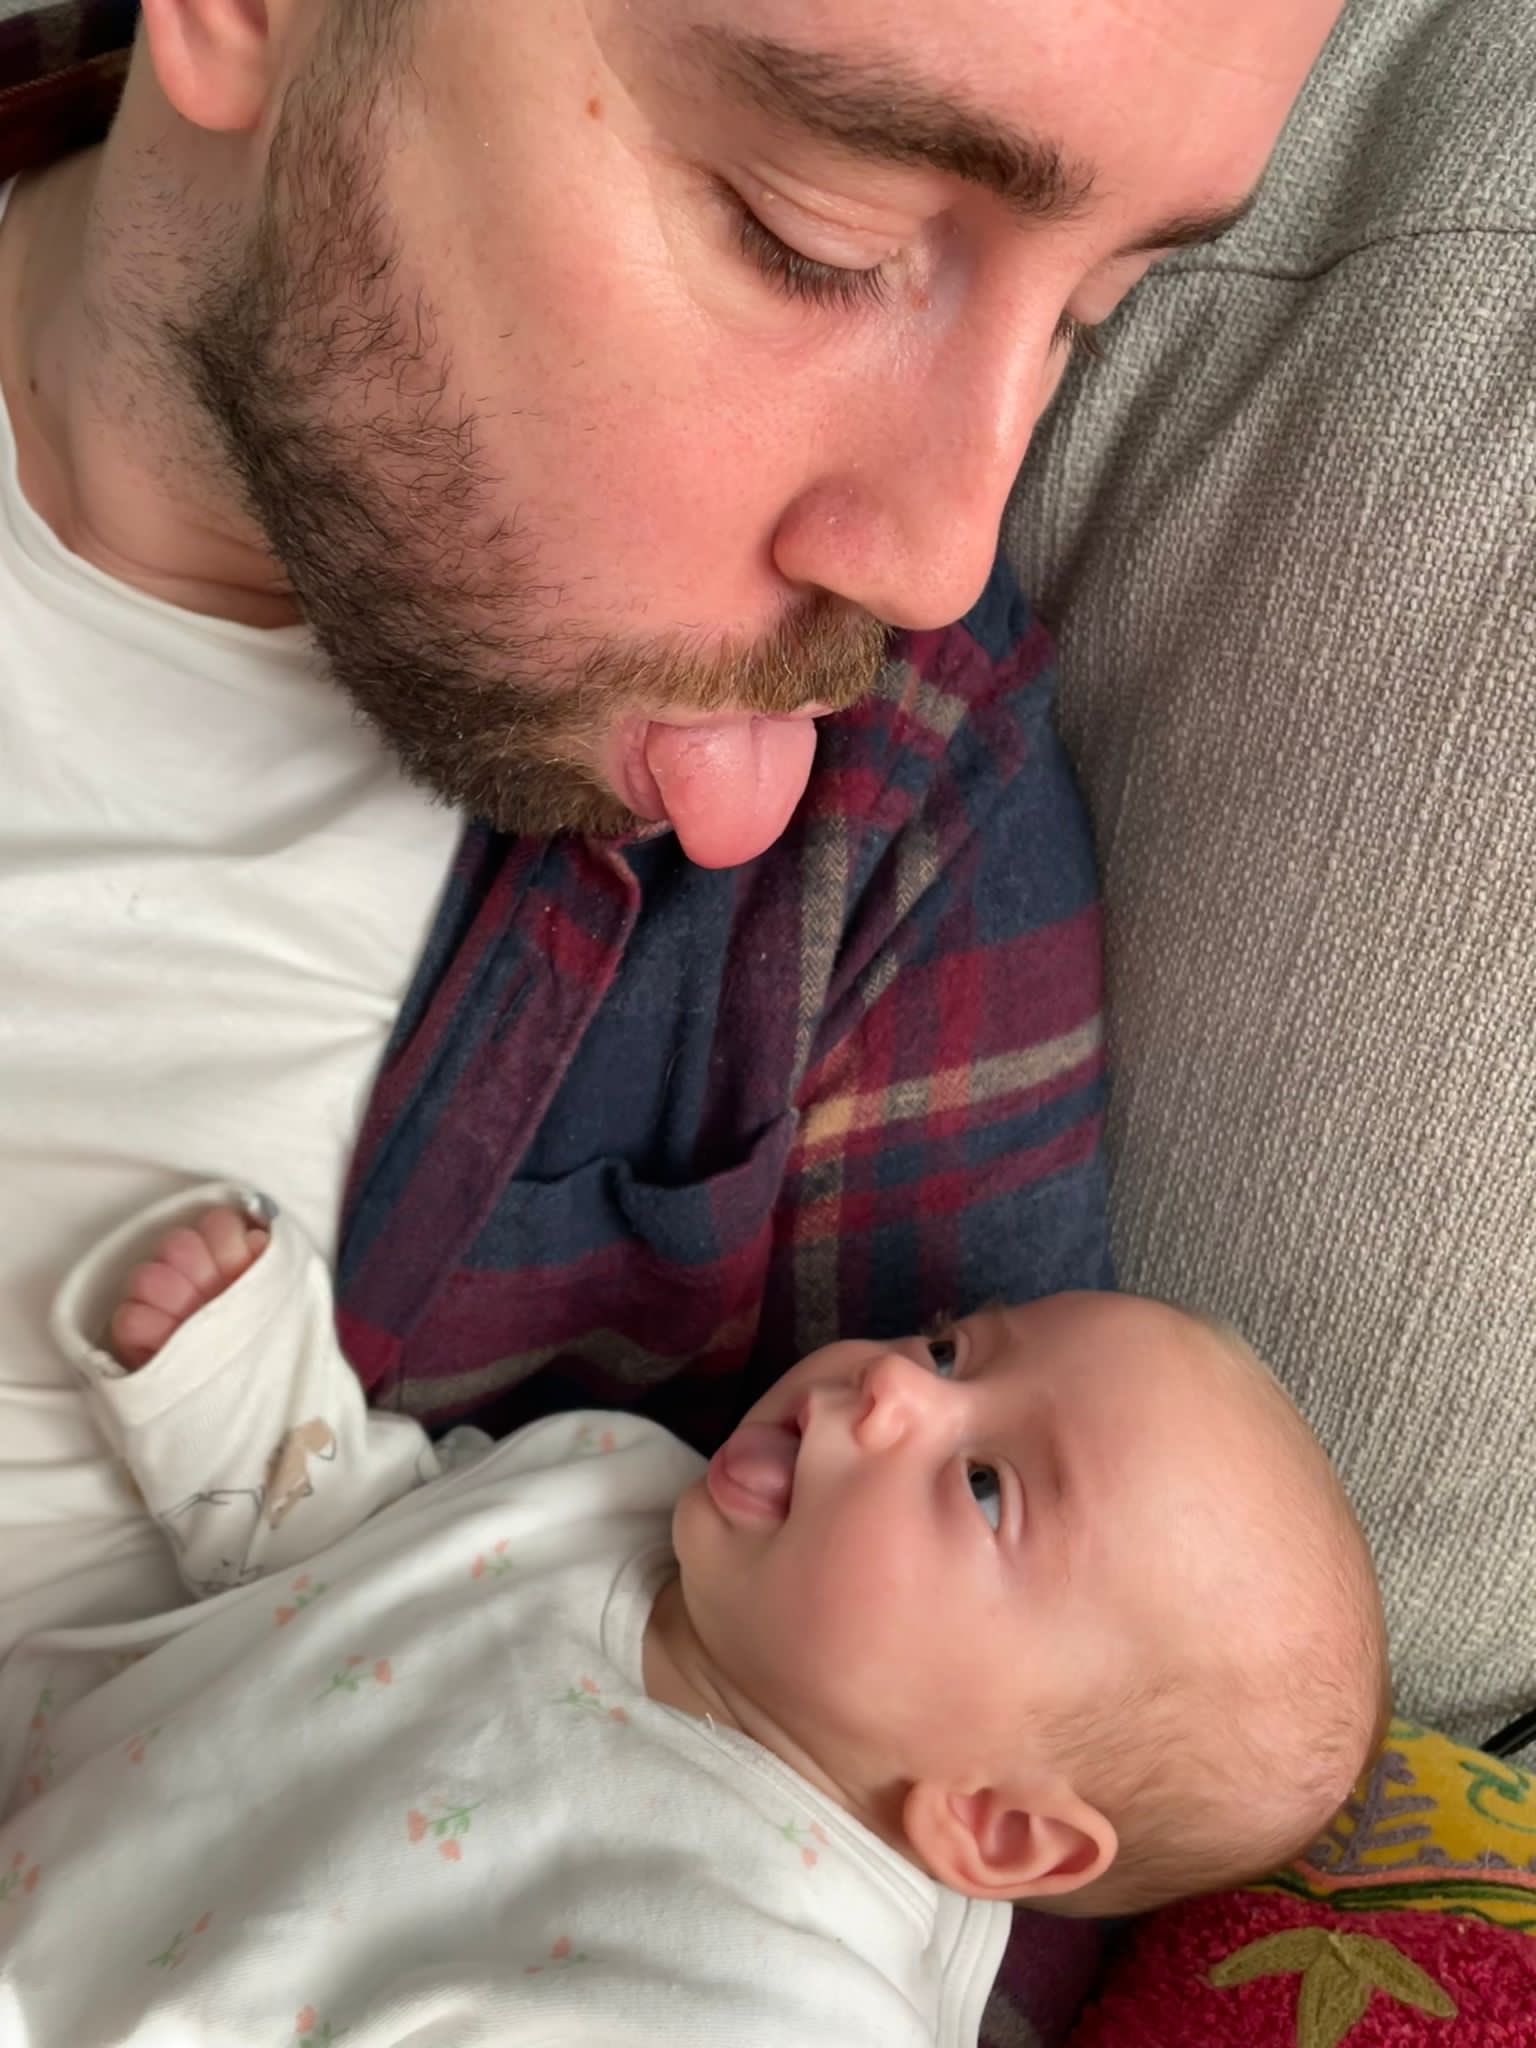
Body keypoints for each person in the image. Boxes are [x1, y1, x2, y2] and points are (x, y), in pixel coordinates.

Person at [0, 0, 1345, 1673]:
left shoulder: (895, 836)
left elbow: (1012, 1729)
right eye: (815, 239)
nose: (937, 562)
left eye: (1089, 311)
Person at [0, 1187, 1387, 2045]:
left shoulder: (791, 1994)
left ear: (997, 1824)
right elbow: (354, 1541)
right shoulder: (610, 1481)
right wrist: (238, 1381)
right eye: (954, 1347)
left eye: (985, 1486)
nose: (892, 1384)